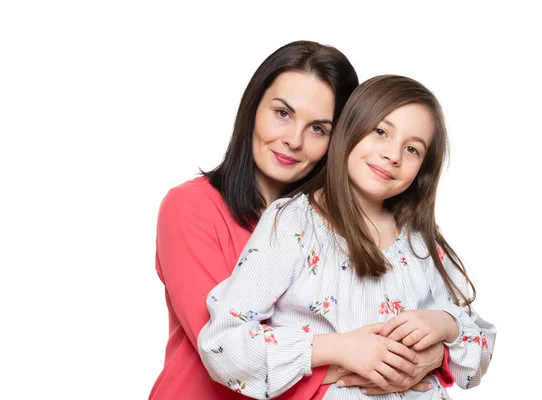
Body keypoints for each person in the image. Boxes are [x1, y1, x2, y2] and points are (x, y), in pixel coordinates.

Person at [150, 42, 448, 400]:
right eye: (282, 113)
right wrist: (378, 362)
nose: (293, 140)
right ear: (252, 107)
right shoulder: (191, 207)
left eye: (319, 128)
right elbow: (221, 347)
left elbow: (425, 314)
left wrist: (436, 353)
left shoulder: (354, 224)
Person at [199, 75, 496, 399]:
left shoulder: (418, 241)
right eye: (381, 132)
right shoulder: (293, 224)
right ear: (349, 128)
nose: (393, 155)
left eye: (412, 149)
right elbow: (223, 344)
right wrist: (336, 349)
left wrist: (444, 326)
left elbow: (479, 351)